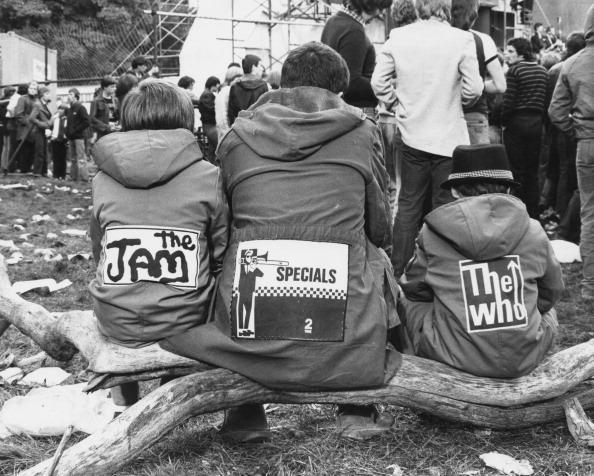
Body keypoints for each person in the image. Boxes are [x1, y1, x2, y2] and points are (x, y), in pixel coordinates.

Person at [161, 42, 400, 442]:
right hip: (342, 300)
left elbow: (224, 225)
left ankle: (245, 412)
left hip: (253, 298)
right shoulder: (361, 131)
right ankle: (355, 406)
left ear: (282, 83)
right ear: (338, 90)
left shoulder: (237, 136)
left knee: (234, 261)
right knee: (376, 260)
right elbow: (380, 228)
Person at [89, 79, 229, 411]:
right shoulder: (210, 176)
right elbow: (222, 254)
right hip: (186, 322)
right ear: (186, 120)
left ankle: (123, 403)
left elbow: (99, 250)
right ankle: (170, 392)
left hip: (117, 318)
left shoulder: (101, 179)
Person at [397, 144, 564, 378]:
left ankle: (416, 370)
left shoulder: (432, 233)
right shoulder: (534, 230)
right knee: (548, 311)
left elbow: (413, 288)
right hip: (523, 356)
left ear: (455, 191)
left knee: (405, 299)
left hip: (455, 355)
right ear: (507, 189)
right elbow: (552, 291)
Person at [371, 0, 483, 277]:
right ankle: (443, 271)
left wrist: (397, 104)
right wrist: (457, 101)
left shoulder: (398, 36)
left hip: (411, 133)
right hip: (448, 134)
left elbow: (378, 82)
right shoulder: (462, 39)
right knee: (445, 205)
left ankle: (398, 273)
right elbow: (475, 88)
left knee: (408, 204)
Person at [549, 5, 594, 302]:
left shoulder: (573, 63)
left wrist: (577, 131)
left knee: (590, 213)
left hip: (587, 143)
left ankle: (591, 286)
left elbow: (556, 112)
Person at [377, 0, 417, 222]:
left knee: (390, 182)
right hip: (402, 119)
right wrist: (398, 104)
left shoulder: (390, 41)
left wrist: (389, 103)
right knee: (403, 185)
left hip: (384, 117)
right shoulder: (414, 42)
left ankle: (389, 232)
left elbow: (379, 81)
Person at [501, 37, 548, 218]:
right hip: (536, 124)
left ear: (521, 53)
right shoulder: (543, 71)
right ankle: (533, 214)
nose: (507, 54)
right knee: (532, 171)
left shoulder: (514, 71)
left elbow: (509, 101)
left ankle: (517, 214)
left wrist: (503, 121)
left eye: (511, 51)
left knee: (516, 171)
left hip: (517, 123)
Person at [321, 0, 393, 117]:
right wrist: (383, 84)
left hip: (336, 109)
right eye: (379, 8)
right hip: (357, 111)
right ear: (368, 4)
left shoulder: (332, 22)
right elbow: (352, 83)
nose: (380, 13)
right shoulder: (354, 30)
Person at [451, 0, 506, 145]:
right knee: (477, 165)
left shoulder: (438, 38)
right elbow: (500, 85)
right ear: (474, 15)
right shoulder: (483, 40)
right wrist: (478, 85)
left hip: (443, 114)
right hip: (474, 113)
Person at [227, 54, 268, 126]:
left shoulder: (234, 86)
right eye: (260, 66)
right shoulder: (263, 86)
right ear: (253, 67)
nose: (262, 69)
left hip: (240, 129)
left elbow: (231, 114)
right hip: (257, 130)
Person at [12, 81, 39, 173]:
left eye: (35, 89)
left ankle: (28, 169)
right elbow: (18, 114)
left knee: (32, 152)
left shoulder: (37, 100)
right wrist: (28, 122)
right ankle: (23, 170)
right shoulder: (22, 99)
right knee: (24, 151)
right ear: (28, 89)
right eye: (31, 88)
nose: (33, 90)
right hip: (25, 130)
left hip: (35, 130)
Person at [65, 87, 90, 182]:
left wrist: (76, 130)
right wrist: (67, 133)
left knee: (81, 158)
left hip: (79, 138)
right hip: (71, 138)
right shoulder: (70, 109)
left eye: (70, 94)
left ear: (76, 96)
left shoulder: (81, 108)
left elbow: (86, 122)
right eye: (68, 94)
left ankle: (84, 178)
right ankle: (73, 177)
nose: (68, 96)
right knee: (73, 159)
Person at [28, 86, 53, 177]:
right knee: (40, 152)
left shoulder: (44, 105)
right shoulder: (38, 104)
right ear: (42, 95)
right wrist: (43, 125)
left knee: (44, 152)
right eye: (47, 94)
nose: (49, 95)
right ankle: (37, 173)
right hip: (38, 131)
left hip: (43, 131)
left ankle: (43, 172)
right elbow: (31, 118)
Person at [215, 64, 242, 141]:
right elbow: (222, 118)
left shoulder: (233, 90)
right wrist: (227, 136)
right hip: (227, 137)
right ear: (231, 78)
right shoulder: (225, 91)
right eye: (238, 77)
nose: (240, 80)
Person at [197, 76, 220, 163]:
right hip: (210, 125)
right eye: (216, 85)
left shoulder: (206, 94)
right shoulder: (207, 95)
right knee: (218, 144)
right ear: (212, 85)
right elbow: (212, 109)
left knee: (212, 148)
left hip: (207, 125)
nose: (217, 87)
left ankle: (211, 164)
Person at [90, 76, 117, 140]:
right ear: (105, 87)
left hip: (115, 133)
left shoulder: (116, 100)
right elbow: (92, 119)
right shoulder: (96, 101)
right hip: (102, 134)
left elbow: (120, 115)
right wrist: (107, 127)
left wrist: (119, 124)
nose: (115, 88)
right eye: (112, 87)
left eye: (115, 86)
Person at [50, 104, 68, 180]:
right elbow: (50, 126)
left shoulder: (67, 119)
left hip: (64, 140)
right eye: (59, 109)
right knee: (55, 158)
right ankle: (56, 174)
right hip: (55, 139)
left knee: (63, 159)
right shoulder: (55, 118)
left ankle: (62, 175)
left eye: (62, 109)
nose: (60, 111)